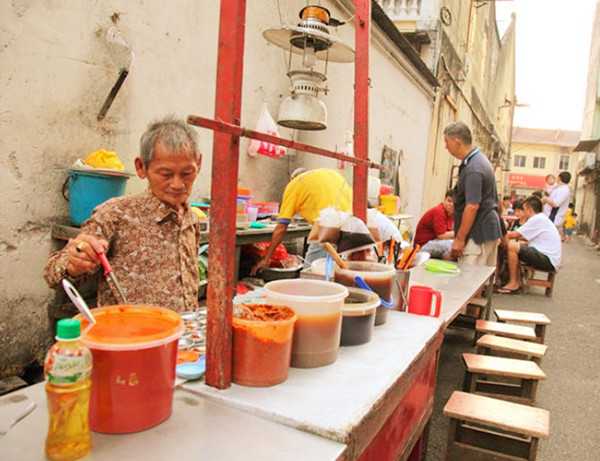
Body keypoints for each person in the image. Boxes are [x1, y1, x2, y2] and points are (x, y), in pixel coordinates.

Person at [44, 117, 203, 312]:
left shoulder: (191, 218)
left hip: (181, 335)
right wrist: (73, 262)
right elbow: (52, 274)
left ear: (199, 164)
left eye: (187, 173)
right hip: (129, 336)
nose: (178, 184)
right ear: (141, 167)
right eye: (166, 174)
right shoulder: (115, 214)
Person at [251, 168, 352, 273]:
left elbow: (281, 228)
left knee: (311, 274)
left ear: (292, 179)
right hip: (351, 225)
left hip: (327, 228)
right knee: (335, 271)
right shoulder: (329, 174)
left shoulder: (295, 184)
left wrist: (266, 259)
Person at [443, 122, 502, 266]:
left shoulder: (474, 168)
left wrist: (460, 239)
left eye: (447, 142)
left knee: (468, 280)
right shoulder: (477, 160)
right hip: (486, 229)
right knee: (478, 281)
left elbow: (472, 206)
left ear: (457, 141)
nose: (446, 147)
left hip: (478, 234)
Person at [498, 196, 561, 294]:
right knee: (516, 245)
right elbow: (524, 238)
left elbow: (514, 234)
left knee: (512, 246)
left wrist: (497, 232)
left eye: (524, 209)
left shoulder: (537, 219)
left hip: (548, 259)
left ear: (529, 209)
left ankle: (513, 283)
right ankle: (514, 280)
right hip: (548, 257)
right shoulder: (542, 218)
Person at [413, 191, 455, 258]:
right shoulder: (439, 211)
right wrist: (459, 234)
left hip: (434, 242)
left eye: (454, 203)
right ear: (444, 200)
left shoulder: (451, 214)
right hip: (422, 246)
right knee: (452, 244)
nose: (451, 204)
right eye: (449, 201)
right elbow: (441, 235)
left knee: (456, 245)